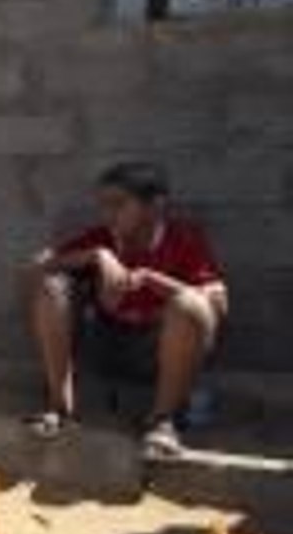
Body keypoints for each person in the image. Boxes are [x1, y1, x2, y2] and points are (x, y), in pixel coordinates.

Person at [25, 161, 227, 459]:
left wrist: (152, 280)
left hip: (158, 354)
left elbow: (217, 303)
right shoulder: (102, 238)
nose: (108, 214)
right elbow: (33, 268)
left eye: (118, 205)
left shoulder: (183, 240)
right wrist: (97, 255)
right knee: (51, 287)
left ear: (155, 206)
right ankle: (60, 408)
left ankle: (162, 422)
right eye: (104, 205)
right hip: (105, 345)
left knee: (190, 304)